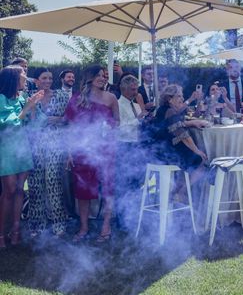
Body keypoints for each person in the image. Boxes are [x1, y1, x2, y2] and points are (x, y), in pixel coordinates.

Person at [64, 66, 119, 243]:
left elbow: (117, 122)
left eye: (104, 76)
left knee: (108, 188)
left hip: (105, 149)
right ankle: (84, 227)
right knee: (82, 190)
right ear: (89, 77)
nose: (103, 78)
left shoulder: (111, 98)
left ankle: (106, 226)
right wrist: (70, 151)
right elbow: (71, 128)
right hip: (82, 150)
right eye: (99, 76)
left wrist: (110, 127)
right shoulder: (77, 99)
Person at [0, 66, 43, 249]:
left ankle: (16, 232)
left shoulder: (23, 98)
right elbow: (7, 127)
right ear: (13, 79)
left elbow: (36, 125)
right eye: (23, 76)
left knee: (19, 190)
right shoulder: (1, 99)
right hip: (7, 150)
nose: (26, 78)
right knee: (8, 190)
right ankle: (1, 234)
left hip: (23, 149)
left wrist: (33, 108)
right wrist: (26, 109)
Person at [26, 68, 70, 238]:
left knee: (52, 181)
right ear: (37, 81)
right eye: (44, 78)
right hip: (35, 145)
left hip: (55, 144)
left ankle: (58, 222)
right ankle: (37, 224)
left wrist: (59, 119)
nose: (48, 81)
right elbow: (25, 121)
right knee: (35, 184)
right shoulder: (30, 98)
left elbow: (69, 119)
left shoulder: (61, 96)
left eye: (50, 78)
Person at [147, 84, 209, 189]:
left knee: (190, 157)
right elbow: (182, 135)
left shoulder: (164, 109)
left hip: (159, 151)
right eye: (179, 96)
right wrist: (197, 150)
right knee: (203, 159)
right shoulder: (170, 111)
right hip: (167, 153)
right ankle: (181, 191)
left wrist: (191, 123)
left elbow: (177, 125)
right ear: (170, 99)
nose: (182, 98)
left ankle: (177, 193)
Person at [115, 74, 146, 231]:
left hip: (137, 147)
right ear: (124, 89)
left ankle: (134, 217)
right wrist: (138, 120)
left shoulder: (138, 105)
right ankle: (122, 221)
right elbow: (119, 128)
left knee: (136, 184)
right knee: (124, 185)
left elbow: (140, 125)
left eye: (136, 89)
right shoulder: (118, 105)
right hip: (124, 147)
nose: (136, 92)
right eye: (133, 89)